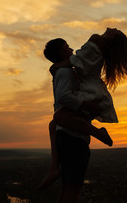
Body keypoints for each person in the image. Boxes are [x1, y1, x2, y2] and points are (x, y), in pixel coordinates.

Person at [40, 28, 127, 191]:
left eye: (114, 30)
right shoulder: (91, 53)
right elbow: (79, 60)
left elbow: (79, 59)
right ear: (62, 51)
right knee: (53, 124)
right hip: (92, 92)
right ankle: (54, 168)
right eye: (68, 47)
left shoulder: (97, 39)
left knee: (59, 117)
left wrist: (58, 65)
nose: (111, 27)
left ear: (113, 36)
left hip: (92, 94)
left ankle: (98, 133)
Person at [41, 38, 93, 202]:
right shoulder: (65, 72)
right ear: (62, 52)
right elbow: (64, 97)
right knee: (73, 189)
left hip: (67, 134)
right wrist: (85, 105)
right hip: (73, 135)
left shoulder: (62, 71)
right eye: (68, 47)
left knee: (67, 187)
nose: (72, 49)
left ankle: (54, 168)